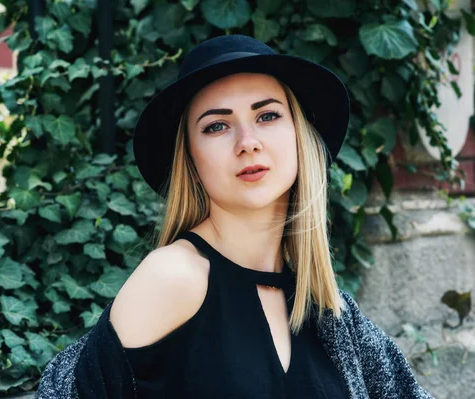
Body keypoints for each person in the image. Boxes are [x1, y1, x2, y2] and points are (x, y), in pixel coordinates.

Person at [36, 34, 434, 399]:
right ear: (189, 158)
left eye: (267, 116)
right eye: (217, 126)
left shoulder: (329, 312)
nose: (248, 143)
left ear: (300, 134)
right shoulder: (175, 278)